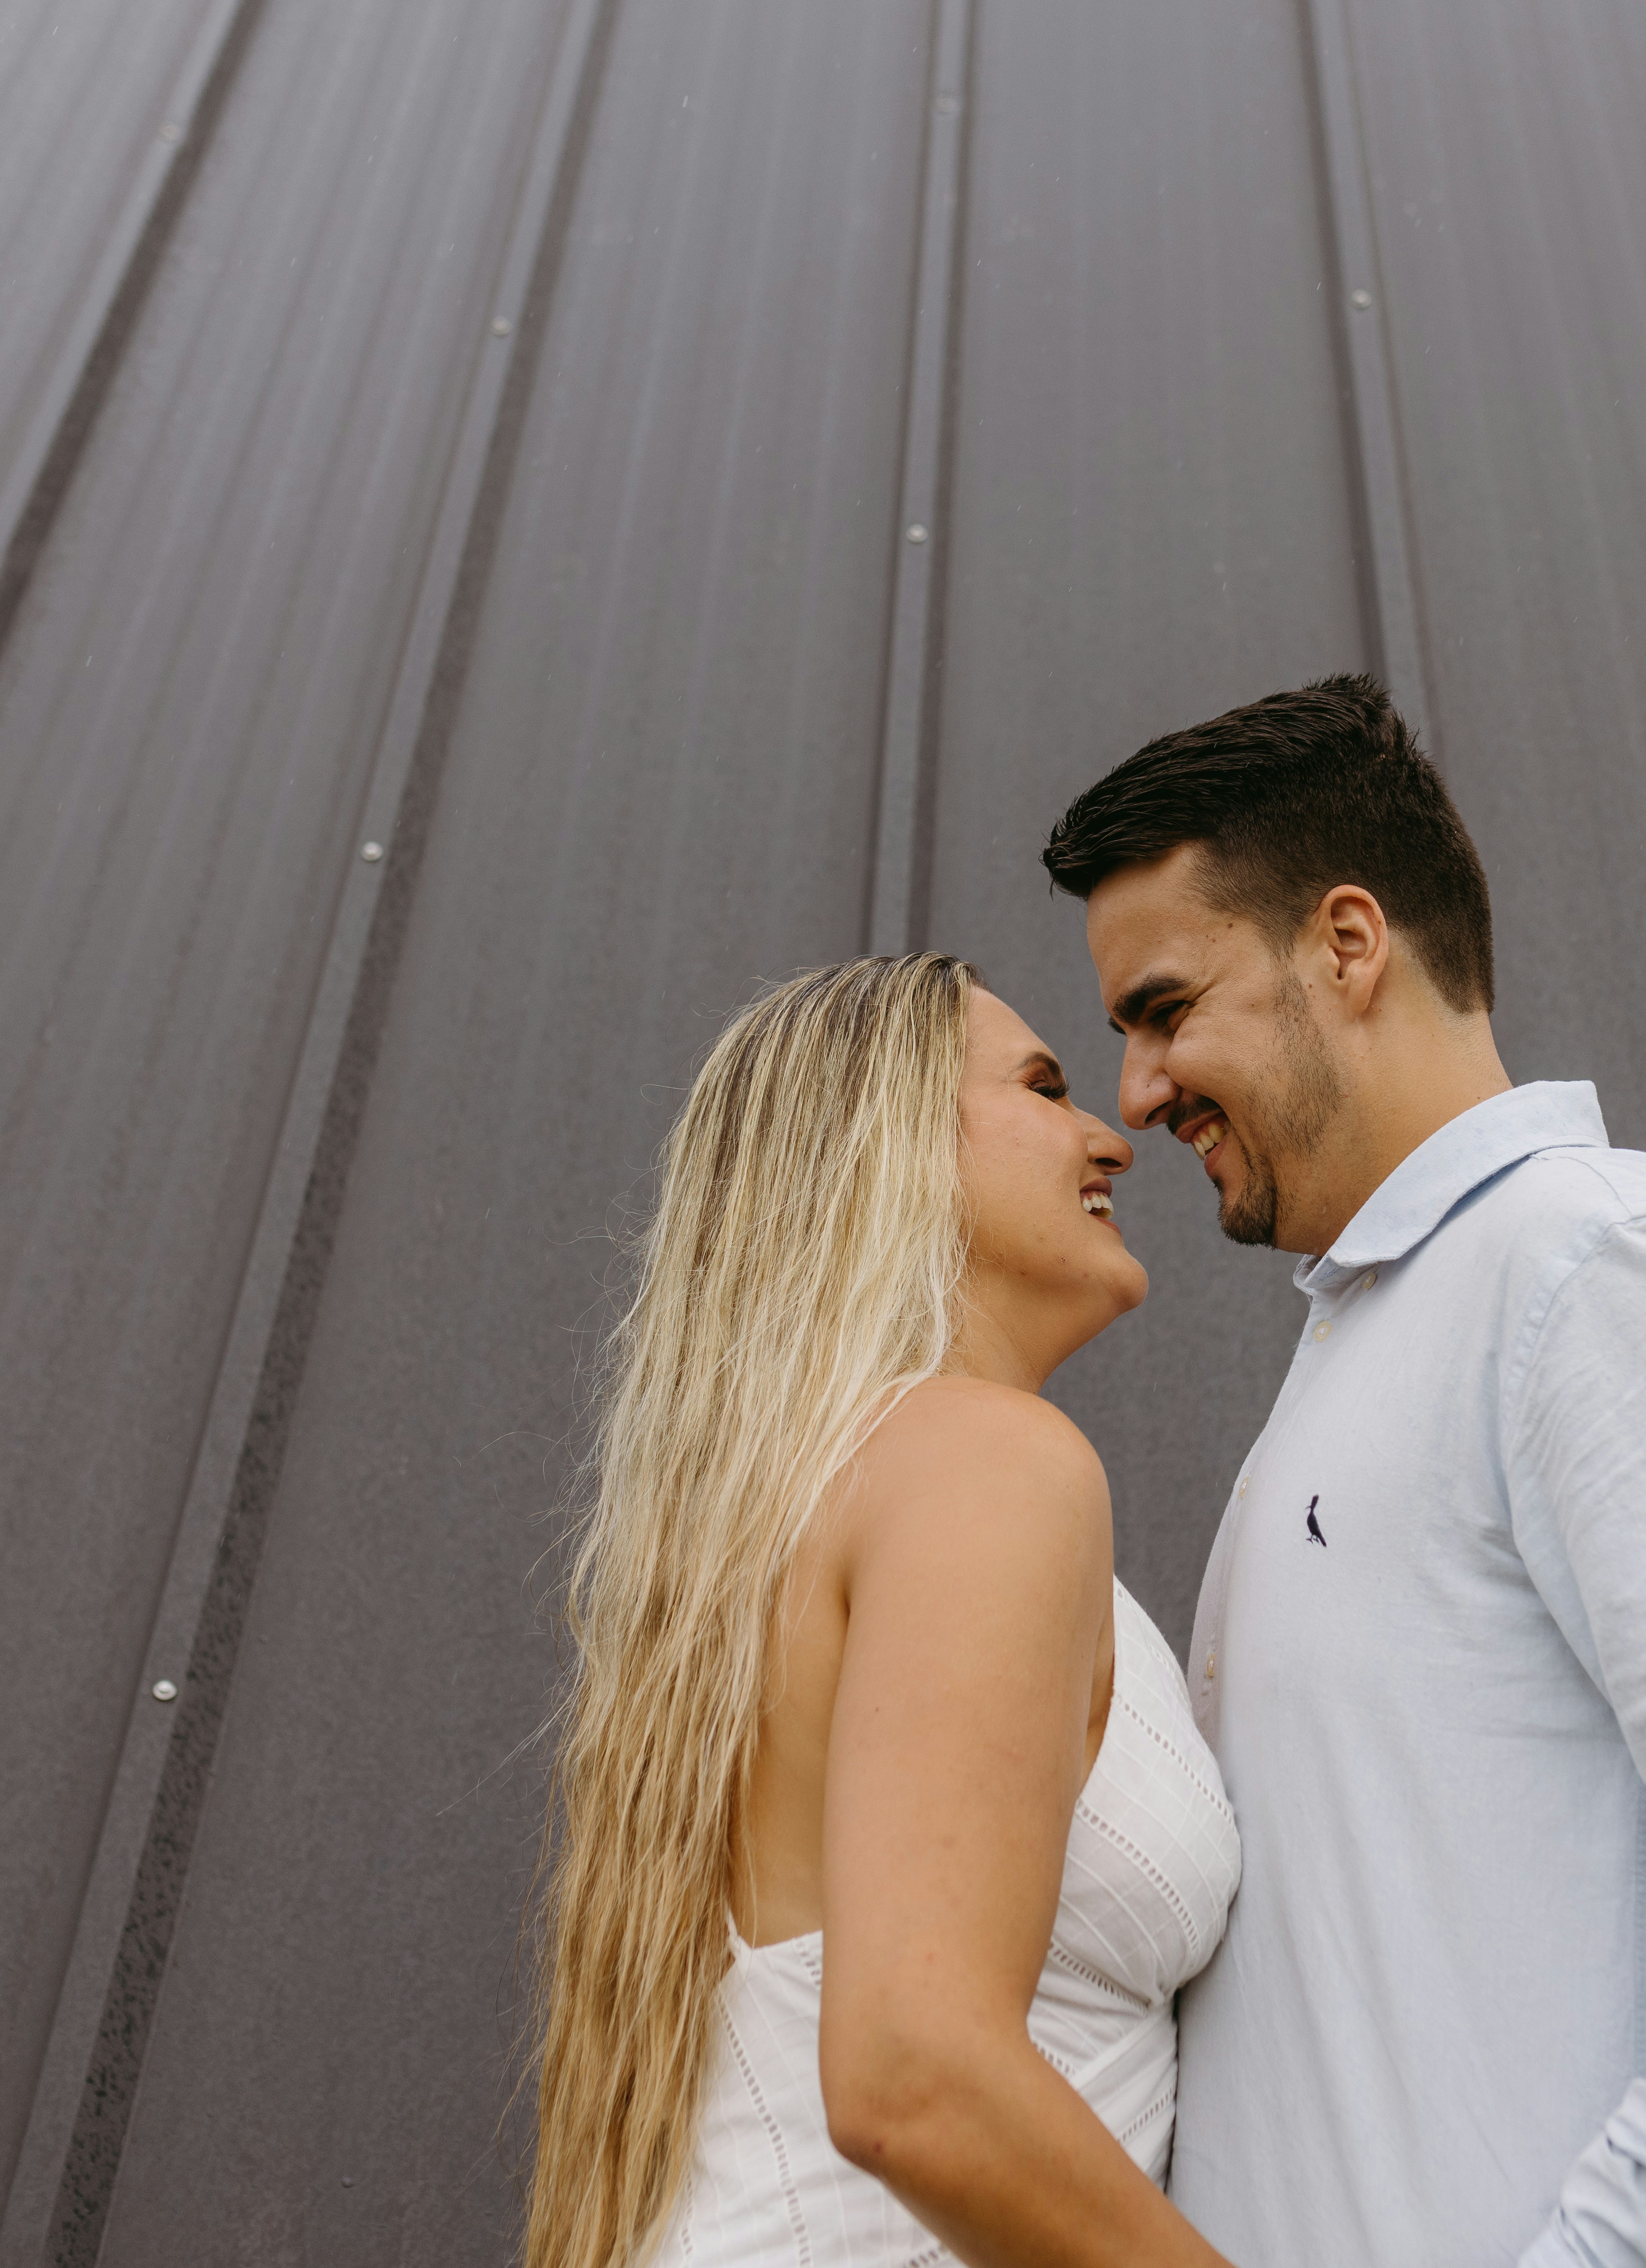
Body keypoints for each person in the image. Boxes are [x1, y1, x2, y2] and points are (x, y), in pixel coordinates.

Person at [1043, 676, 1646, 2268]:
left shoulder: (1588, 1270)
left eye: (1165, 1010)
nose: (1137, 1095)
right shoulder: (1388, 1339)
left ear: (1349, 943)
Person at [524, 955, 1241, 2268]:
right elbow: (915, 2076)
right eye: (1043, 1086)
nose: (1110, 1136)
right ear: (888, 1148)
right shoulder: (989, 1465)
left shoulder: (813, 1506)